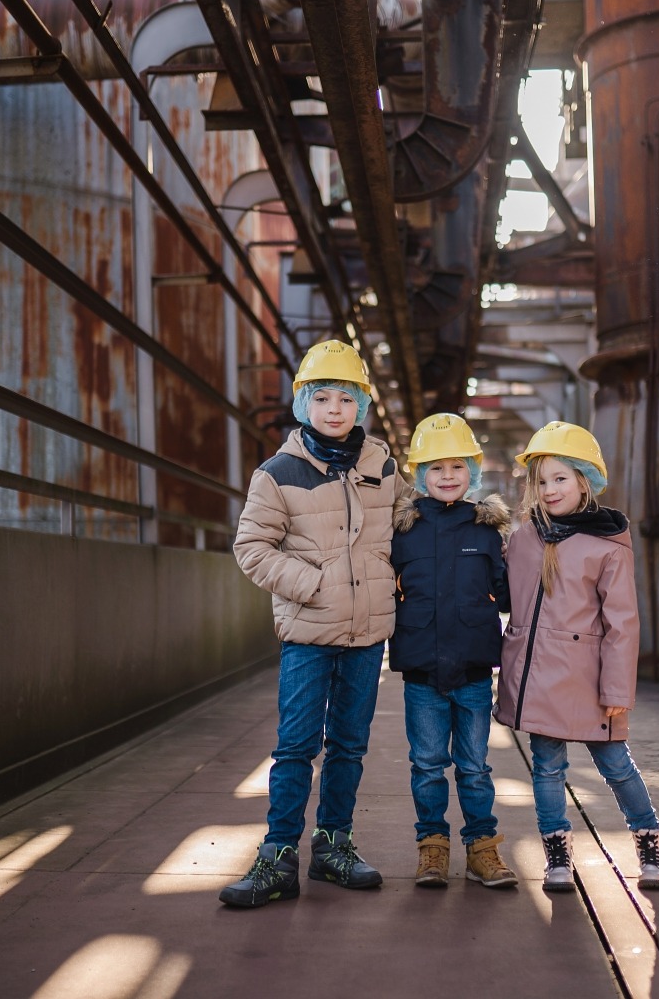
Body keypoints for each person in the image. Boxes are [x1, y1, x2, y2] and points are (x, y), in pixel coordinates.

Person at [221, 340, 399, 908]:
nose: (333, 409)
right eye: (320, 397)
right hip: (308, 634)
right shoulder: (278, 473)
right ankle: (277, 856)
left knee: (348, 746)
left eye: (346, 398)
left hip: (368, 636)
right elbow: (251, 548)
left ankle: (333, 847)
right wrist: (315, 586)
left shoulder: (383, 463)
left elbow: (408, 526)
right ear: (303, 404)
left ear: (360, 405)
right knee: (296, 746)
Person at [492, 421, 659, 894]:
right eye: (542, 480)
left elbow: (622, 623)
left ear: (584, 481)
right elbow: (509, 599)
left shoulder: (607, 544)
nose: (550, 490)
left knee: (616, 765)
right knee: (547, 769)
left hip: (589, 683)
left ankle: (649, 842)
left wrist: (616, 689)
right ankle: (556, 853)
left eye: (561, 479)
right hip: (539, 681)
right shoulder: (526, 537)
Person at [389, 413, 518, 889]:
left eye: (458, 467)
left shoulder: (487, 530)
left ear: (473, 472)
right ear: (419, 473)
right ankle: (432, 850)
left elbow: (507, 594)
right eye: (436, 467)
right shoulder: (404, 531)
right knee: (426, 765)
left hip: (472, 671)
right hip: (422, 672)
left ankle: (483, 850)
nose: (447, 476)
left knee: (475, 767)